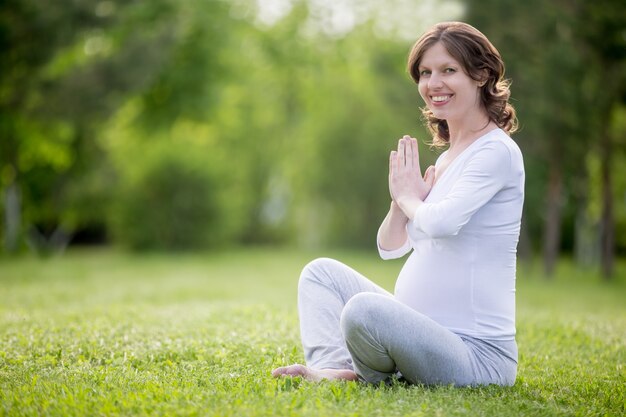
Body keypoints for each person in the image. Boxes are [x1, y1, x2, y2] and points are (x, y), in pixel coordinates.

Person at [272, 21, 524, 386]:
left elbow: (440, 223)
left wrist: (409, 197)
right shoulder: (448, 159)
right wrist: (399, 202)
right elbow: (390, 247)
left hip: (476, 355)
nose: (432, 84)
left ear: (482, 75)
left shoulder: (496, 152)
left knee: (363, 311)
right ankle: (332, 369)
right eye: (425, 73)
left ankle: (364, 373)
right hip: (424, 333)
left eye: (448, 70)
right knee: (320, 273)